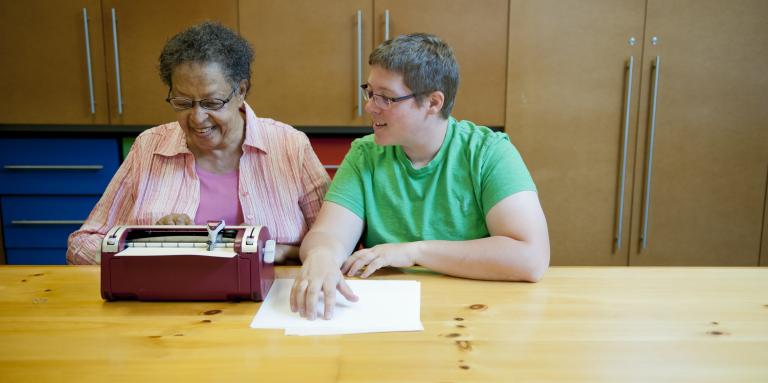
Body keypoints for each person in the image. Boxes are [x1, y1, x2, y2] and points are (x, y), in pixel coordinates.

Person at [290, 33, 550, 320]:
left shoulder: (489, 153)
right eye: (370, 92)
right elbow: (328, 234)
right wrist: (322, 257)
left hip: (475, 314)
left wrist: (415, 252)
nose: (370, 106)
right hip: (386, 314)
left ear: (433, 103)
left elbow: (531, 258)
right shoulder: (364, 156)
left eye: (386, 98)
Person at [67, 22, 330, 264]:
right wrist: (146, 246)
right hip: (167, 306)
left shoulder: (290, 146)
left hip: (270, 303)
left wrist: (276, 252)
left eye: (212, 103)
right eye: (182, 103)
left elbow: (338, 245)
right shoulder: (149, 147)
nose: (197, 117)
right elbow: (81, 245)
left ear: (240, 91)